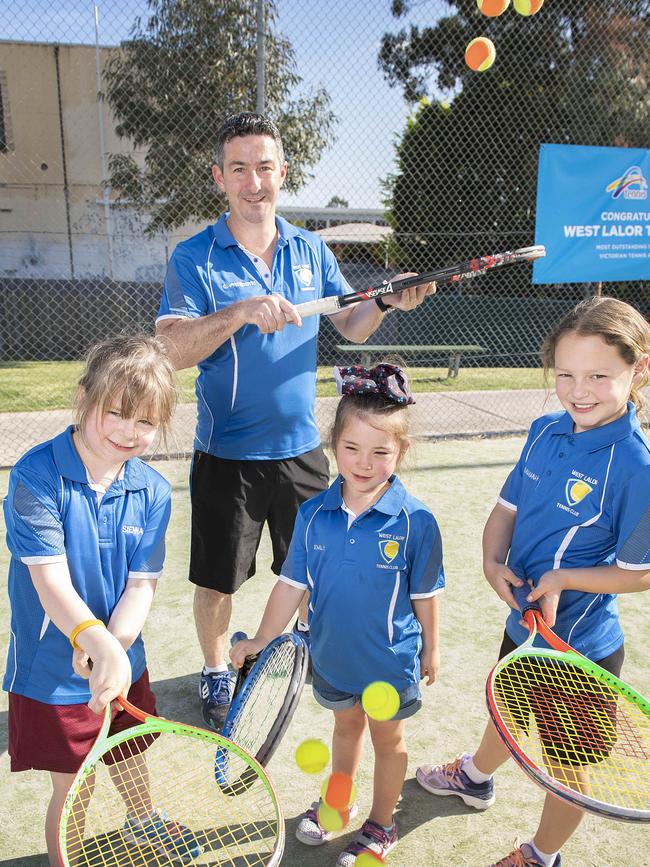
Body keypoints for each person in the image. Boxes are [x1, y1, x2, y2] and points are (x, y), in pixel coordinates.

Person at [155, 111, 435, 731]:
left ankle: (301, 652)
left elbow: (350, 324)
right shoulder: (195, 257)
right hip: (226, 453)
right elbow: (172, 350)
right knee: (218, 582)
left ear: (282, 172)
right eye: (239, 169)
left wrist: (385, 300)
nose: (254, 182)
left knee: (315, 569)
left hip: (302, 451)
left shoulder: (311, 250)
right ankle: (215, 669)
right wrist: (241, 311)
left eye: (264, 167)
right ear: (219, 177)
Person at [416, 296, 650, 867]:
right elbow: (506, 510)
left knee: (566, 775)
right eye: (566, 374)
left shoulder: (637, 467)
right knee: (505, 712)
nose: (579, 389)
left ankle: (541, 855)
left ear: (638, 369)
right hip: (523, 629)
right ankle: (474, 778)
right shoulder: (546, 431)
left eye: (599, 374)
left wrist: (563, 578)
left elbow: (640, 574)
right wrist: (493, 561)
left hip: (580, 656)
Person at [231, 363, 445, 865]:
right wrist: (263, 638)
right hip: (331, 656)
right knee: (345, 729)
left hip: (389, 663)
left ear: (401, 453)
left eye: (380, 452)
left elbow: (426, 594)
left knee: (389, 741)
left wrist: (433, 648)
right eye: (351, 448)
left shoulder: (417, 522)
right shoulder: (312, 516)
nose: (364, 463)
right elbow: (291, 585)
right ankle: (339, 800)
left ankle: (381, 822)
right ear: (332, 446)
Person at [1, 335, 201, 866]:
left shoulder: (152, 490)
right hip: (52, 673)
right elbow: (51, 584)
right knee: (75, 790)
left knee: (130, 749)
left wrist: (116, 647)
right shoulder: (34, 476)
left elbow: (142, 584)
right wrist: (95, 645)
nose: (129, 432)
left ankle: (141, 821)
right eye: (116, 413)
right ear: (84, 396)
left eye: (145, 423)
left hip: (123, 657)